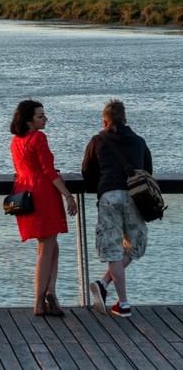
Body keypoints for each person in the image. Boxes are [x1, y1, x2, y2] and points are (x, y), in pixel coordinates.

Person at [82, 99, 152, 318]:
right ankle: (113, 295)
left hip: (109, 196)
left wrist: (102, 185)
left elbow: (87, 172)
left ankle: (113, 293)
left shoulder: (97, 140)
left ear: (105, 122)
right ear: (125, 119)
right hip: (134, 197)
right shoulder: (139, 142)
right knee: (134, 245)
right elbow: (148, 170)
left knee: (112, 248)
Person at [10, 99, 78, 316]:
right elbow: (48, 171)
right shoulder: (38, 138)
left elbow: (22, 169)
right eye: (40, 116)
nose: (45, 118)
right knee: (46, 249)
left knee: (50, 246)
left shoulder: (16, 141)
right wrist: (68, 195)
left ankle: (51, 293)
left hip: (25, 193)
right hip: (43, 195)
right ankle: (39, 302)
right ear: (29, 121)